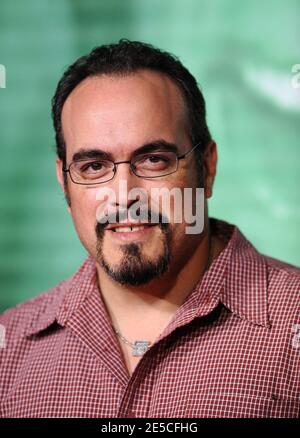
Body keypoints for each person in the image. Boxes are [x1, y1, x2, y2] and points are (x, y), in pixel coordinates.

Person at [0, 40, 299, 418]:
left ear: (206, 167)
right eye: (93, 166)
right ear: (64, 182)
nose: (125, 196)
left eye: (154, 160)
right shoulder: (8, 349)